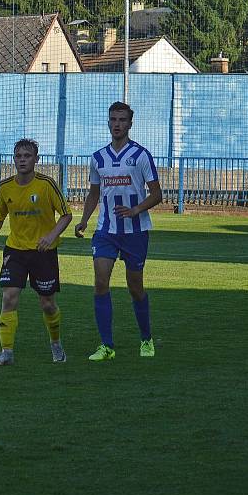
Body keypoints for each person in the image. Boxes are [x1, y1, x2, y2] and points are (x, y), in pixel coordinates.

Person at [74, 101, 162, 361]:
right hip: (106, 231)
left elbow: (157, 194)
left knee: (135, 287)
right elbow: (94, 193)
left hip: (135, 231)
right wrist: (84, 220)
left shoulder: (141, 155)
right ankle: (106, 346)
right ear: (108, 122)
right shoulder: (98, 158)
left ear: (130, 124)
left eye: (122, 120)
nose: (117, 124)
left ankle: (146, 339)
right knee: (101, 282)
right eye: (113, 119)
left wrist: (136, 210)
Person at [0, 139, 73, 366]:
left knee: (47, 303)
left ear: (36, 159)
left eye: (27, 156)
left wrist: (51, 236)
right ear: (14, 159)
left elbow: (66, 215)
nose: (22, 160)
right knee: (9, 296)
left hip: (43, 252)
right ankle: (6, 352)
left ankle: (56, 345)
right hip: (15, 250)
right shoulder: (5, 187)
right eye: (18, 156)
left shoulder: (47, 185)